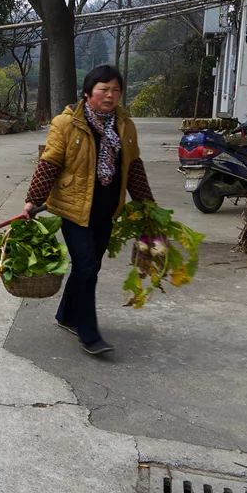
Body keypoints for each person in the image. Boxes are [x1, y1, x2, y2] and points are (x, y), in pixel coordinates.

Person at [22, 65, 154, 355]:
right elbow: (50, 162)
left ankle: (66, 315)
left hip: (106, 210)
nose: (110, 95)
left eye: (116, 90)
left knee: (90, 266)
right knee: (86, 267)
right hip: (74, 209)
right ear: (87, 92)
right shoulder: (66, 123)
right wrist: (33, 199)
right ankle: (88, 333)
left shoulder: (125, 125)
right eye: (103, 89)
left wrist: (147, 205)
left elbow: (133, 167)